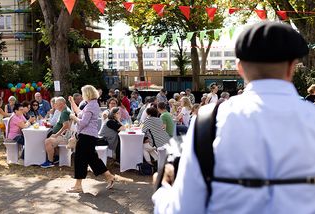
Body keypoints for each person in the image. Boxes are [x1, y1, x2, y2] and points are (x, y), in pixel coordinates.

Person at [152, 21, 313, 213]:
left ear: (240, 68)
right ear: (292, 67)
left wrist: (162, 190)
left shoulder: (208, 121)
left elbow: (184, 209)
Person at [67, 85, 116, 193]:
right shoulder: (92, 104)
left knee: (80, 159)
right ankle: (109, 177)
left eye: (83, 93)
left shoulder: (90, 106)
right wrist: (72, 102)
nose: (82, 95)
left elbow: (83, 122)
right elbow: (80, 112)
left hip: (86, 136)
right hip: (89, 136)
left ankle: (78, 185)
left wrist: (74, 117)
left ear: (87, 94)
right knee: (92, 159)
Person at [41, 97, 71, 168]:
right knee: (49, 138)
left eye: (56, 104)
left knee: (48, 141)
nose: (55, 106)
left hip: (64, 136)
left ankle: (50, 161)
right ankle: (56, 157)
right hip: (64, 135)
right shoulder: (65, 110)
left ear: (62, 104)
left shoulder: (64, 112)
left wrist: (57, 135)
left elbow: (66, 126)